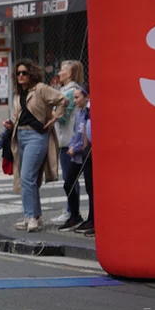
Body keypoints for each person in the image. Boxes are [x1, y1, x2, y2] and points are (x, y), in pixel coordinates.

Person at [5, 58, 66, 232]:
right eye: (18, 73)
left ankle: (31, 217)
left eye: (24, 73)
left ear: (32, 74)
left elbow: (62, 100)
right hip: (20, 135)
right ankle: (34, 216)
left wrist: (55, 118)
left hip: (36, 136)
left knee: (27, 177)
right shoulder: (18, 94)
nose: (21, 76)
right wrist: (10, 124)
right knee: (28, 179)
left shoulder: (40, 89)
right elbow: (17, 116)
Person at [54, 60, 85, 229]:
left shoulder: (71, 92)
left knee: (70, 178)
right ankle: (71, 210)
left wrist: (52, 111)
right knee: (69, 177)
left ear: (70, 74)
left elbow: (63, 116)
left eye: (62, 70)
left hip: (69, 141)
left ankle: (72, 211)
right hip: (65, 140)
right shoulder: (65, 91)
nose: (59, 73)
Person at [64, 86, 94, 235]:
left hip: (85, 153)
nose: (74, 101)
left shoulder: (89, 112)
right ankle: (75, 215)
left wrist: (76, 148)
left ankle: (92, 219)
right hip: (76, 155)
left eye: (77, 97)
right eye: (74, 98)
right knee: (68, 183)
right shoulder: (79, 113)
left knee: (90, 188)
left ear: (86, 97)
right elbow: (76, 133)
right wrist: (72, 145)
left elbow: (87, 135)